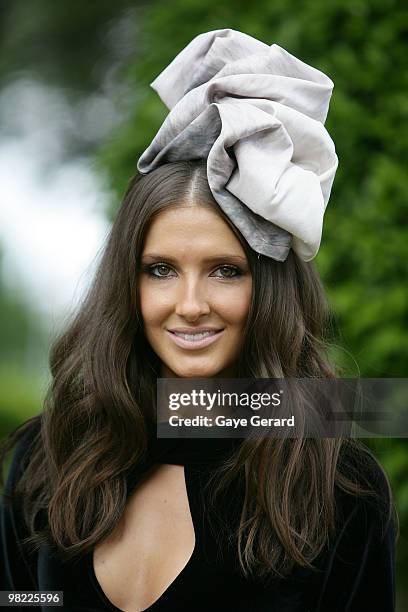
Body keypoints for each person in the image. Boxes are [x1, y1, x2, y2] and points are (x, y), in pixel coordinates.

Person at [0, 29, 396, 612]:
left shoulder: (339, 487)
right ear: (126, 286)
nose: (189, 304)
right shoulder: (51, 454)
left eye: (225, 271)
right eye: (159, 270)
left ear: (271, 290)